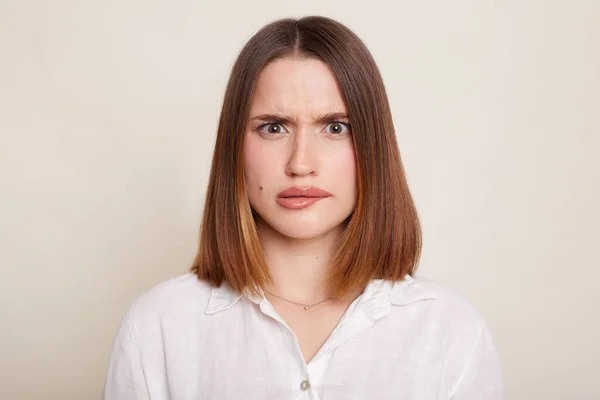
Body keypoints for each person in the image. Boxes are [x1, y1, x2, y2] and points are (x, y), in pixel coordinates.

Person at [104, 15, 504, 399]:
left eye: (335, 127)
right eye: (273, 127)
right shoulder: (157, 327)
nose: (300, 164)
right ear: (235, 147)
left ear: (373, 147)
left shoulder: (451, 333)